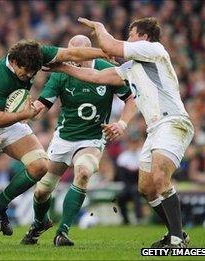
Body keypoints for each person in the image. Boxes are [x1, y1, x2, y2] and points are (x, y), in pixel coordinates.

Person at [0, 38, 112, 247]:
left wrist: (104, 52)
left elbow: (71, 54)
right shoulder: (0, 77)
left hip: (11, 119)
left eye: (33, 71)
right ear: (13, 62)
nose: (29, 76)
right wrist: (24, 114)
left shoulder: (36, 54)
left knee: (40, 166)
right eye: (25, 72)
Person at [53, 17, 194, 248]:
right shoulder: (131, 67)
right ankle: (177, 233)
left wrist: (99, 27)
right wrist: (60, 66)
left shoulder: (153, 49)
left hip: (173, 122)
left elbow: (109, 46)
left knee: (160, 177)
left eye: (131, 35)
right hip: (156, 128)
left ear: (144, 38)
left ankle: (177, 241)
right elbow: (96, 76)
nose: (128, 39)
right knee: (147, 188)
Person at [20, 35, 136, 247]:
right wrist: (31, 111)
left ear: (87, 52)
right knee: (43, 189)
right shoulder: (61, 73)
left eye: (77, 55)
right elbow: (42, 106)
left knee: (83, 172)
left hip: (92, 138)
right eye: (70, 53)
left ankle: (62, 231)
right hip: (64, 137)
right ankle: (38, 223)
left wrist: (122, 124)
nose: (72, 59)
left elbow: (130, 99)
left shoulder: (106, 69)